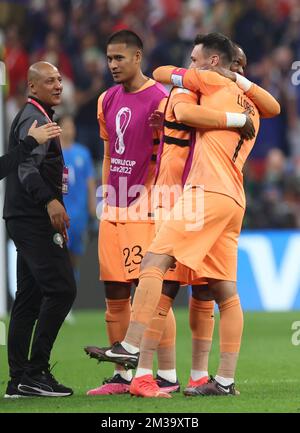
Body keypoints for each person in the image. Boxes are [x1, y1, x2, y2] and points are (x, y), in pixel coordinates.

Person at [92, 33, 280, 398]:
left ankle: (135, 354)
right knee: (222, 291)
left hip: (197, 193)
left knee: (157, 268)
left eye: (195, 59)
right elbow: (273, 106)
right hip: (234, 198)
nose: (189, 65)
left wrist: (206, 81)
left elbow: (165, 78)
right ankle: (221, 380)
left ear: (213, 63)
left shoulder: (205, 82)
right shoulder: (252, 104)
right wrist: (238, 96)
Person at [84, 29, 184, 396]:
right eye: (109, 58)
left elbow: (173, 155)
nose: (112, 65)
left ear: (138, 57)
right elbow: (111, 151)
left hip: (147, 206)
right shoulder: (105, 99)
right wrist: (104, 191)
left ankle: (167, 375)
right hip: (114, 204)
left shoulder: (162, 99)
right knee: (114, 291)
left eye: (119, 58)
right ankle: (122, 375)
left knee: (149, 293)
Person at [3, 61, 77, 398]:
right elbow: (26, 171)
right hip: (33, 218)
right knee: (62, 289)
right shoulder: (35, 119)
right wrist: (50, 201)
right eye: (50, 81)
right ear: (33, 87)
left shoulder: (38, 116)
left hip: (22, 216)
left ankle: (19, 379)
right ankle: (35, 371)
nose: (58, 85)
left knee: (29, 299)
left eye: (60, 79)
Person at [59, 114, 96, 282]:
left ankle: (70, 293)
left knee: (75, 256)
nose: (69, 130)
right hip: (59, 214)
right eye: (66, 126)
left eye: (71, 126)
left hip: (78, 215)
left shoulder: (83, 153)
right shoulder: (53, 153)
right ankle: (61, 296)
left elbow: (89, 182)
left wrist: (92, 207)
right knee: (59, 256)